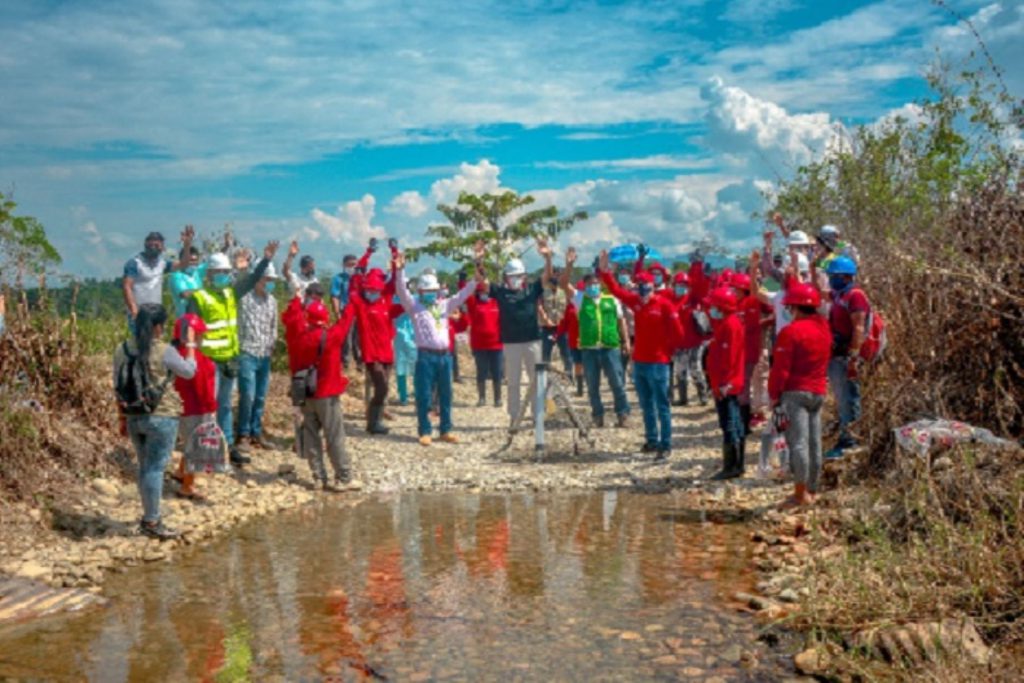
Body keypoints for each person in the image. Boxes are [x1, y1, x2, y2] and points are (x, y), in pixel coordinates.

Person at [187, 240, 278, 466]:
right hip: (208, 360)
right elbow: (189, 330)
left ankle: (227, 446)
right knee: (208, 405)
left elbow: (251, 279)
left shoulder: (231, 293)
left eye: (226, 272)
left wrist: (266, 259)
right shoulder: (199, 298)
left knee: (225, 403)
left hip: (229, 358)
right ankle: (206, 449)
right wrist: (191, 357)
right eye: (219, 272)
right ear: (209, 274)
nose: (223, 276)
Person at [113, 303, 197, 539]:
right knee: (155, 468)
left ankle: (149, 515)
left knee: (145, 467)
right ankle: (152, 521)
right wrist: (191, 347)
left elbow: (117, 385)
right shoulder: (164, 350)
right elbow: (189, 371)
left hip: (133, 415)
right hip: (162, 415)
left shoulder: (122, 349)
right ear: (158, 327)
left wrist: (122, 418)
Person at [601, 252, 684, 459]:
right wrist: (605, 270)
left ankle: (666, 444)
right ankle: (651, 440)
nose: (642, 289)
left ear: (653, 286)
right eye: (639, 286)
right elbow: (616, 290)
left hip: (659, 363)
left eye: (645, 285)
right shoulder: (636, 302)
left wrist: (668, 352)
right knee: (646, 405)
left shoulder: (664, 305)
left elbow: (678, 334)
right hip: (640, 362)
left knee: (662, 405)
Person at [394, 252, 479, 446]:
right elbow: (401, 291)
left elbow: (463, 294)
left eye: (434, 290)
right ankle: (425, 431)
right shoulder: (414, 306)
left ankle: (445, 429)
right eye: (427, 290)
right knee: (424, 395)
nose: (431, 293)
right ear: (420, 291)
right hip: (425, 356)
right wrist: (399, 271)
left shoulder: (443, 305)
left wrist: (475, 278)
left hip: (445, 356)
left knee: (446, 394)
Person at [285, 296, 361, 491]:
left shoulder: (298, 337)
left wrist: (296, 301)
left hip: (305, 393)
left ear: (307, 318)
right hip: (327, 394)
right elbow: (346, 320)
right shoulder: (332, 336)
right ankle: (343, 478)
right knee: (334, 435)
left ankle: (318, 478)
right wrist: (353, 299)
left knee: (311, 435)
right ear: (325, 318)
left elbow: (291, 320)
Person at [768, 283, 832, 508]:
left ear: (794, 307)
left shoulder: (790, 332)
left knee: (798, 443)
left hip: (795, 392)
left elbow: (780, 369)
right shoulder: (824, 329)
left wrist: (774, 394)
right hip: (818, 391)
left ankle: (800, 494)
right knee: (815, 443)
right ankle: (812, 490)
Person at [480, 239, 553, 426]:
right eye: (512, 276)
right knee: (513, 382)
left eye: (519, 276)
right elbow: (483, 281)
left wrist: (547, 258)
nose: (515, 279)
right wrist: (479, 261)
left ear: (524, 276)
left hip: (532, 341)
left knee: (536, 380)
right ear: (505, 277)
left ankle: (537, 415)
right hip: (511, 343)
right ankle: (514, 416)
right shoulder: (501, 292)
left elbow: (547, 276)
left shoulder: (532, 289)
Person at [560, 248, 631, 429]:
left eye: (596, 283)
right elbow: (564, 284)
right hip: (589, 349)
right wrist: (569, 265)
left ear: (600, 284)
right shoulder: (580, 299)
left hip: (610, 347)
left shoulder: (612, 299)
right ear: (585, 286)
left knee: (617, 383)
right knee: (592, 386)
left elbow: (621, 321)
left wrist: (626, 342)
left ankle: (623, 414)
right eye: (590, 284)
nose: (593, 286)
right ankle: (598, 415)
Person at [347, 242, 404, 435]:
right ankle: (373, 422)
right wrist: (368, 252)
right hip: (371, 354)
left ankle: (375, 422)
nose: (372, 292)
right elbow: (355, 278)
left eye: (376, 289)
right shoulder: (361, 303)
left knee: (384, 388)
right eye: (369, 289)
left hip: (386, 352)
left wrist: (394, 251)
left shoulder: (385, 300)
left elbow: (396, 277)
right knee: (381, 386)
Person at [171, 314, 224, 501]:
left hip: (181, 408)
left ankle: (180, 472)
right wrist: (212, 407)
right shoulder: (198, 359)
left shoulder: (173, 355)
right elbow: (203, 388)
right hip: (196, 409)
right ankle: (187, 486)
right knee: (194, 447)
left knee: (188, 442)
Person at [825, 255, 870, 458]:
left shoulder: (855, 296)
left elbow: (858, 328)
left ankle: (851, 441)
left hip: (847, 356)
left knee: (849, 399)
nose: (831, 279)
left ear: (846, 276)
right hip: (837, 355)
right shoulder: (839, 295)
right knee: (842, 399)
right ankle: (845, 437)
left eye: (835, 276)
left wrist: (853, 358)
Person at [237, 262, 280, 451]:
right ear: (258, 279)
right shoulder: (244, 299)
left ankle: (256, 431)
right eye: (267, 279)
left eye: (272, 280)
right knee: (248, 395)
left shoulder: (272, 301)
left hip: (265, 354)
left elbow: (273, 326)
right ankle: (243, 434)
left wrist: (272, 344)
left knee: (260, 396)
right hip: (247, 352)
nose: (269, 283)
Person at [705, 287, 746, 480]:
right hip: (726, 382)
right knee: (733, 421)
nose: (711, 308)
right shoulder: (727, 322)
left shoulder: (730, 325)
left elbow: (728, 358)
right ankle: (736, 464)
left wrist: (723, 383)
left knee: (729, 423)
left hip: (726, 384)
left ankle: (732, 466)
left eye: (714, 305)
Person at [122, 227, 193, 333]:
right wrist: (133, 308)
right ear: (146, 245)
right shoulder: (135, 263)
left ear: (162, 247)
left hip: (156, 311)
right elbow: (127, 286)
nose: (154, 248)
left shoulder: (162, 263)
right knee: (141, 340)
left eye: (157, 245)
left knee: (157, 341)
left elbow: (183, 264)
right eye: (151, 244)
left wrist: (187, 245)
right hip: (140, 310)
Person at [669, 268, 711, 406]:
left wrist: (698, 267)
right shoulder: (671, 300)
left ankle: (703, 396)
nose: (681, 287)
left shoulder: (693, 299)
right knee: (680, 371)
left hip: (695, 342)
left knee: (695, 369)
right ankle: (683, 398)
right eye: (679, 284)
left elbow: (702, 288)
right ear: (674, 285)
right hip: (679, 343)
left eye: (684, 285)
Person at [465, 281, 503, 407]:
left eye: (486, 291)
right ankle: (482, 398)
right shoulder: (474, 304)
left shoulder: (496, 303)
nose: (484, 293)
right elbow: (466, 292)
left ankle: (497, 398)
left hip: (496, 344)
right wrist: (467, 280)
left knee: (497, 371)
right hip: (479, 345)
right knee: (481, 371)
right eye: (481, 291)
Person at [330, 253, 363, 370]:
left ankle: (360, 363)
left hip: (359, 311)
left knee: (359, 338)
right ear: (344, 265)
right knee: (346, 338)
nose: (353, 267)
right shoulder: (338, 279)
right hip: (345, 311)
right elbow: (335, 296)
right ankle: (346, 363)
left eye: (355, 265)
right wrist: (337, 313)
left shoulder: (360, 278)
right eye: (350, 265)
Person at [538, 268, 572, 373]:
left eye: (559, 275)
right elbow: (539, 306)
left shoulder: (564, 291)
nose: (557, 277)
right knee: (546, 353)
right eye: (555, 275)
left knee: (566, 352)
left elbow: (569, 306)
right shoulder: (543, 291)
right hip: (547, 327)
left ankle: (569, 374)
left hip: (562, 328)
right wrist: (545, 319)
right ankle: (546, 375)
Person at [393, 306, 417, 407]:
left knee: (409, 369)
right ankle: (405, 396)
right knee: (403, 369)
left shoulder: (410, 300)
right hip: (403, 338)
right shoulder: (395, 300)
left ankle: (408, 396)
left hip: (408, 338)